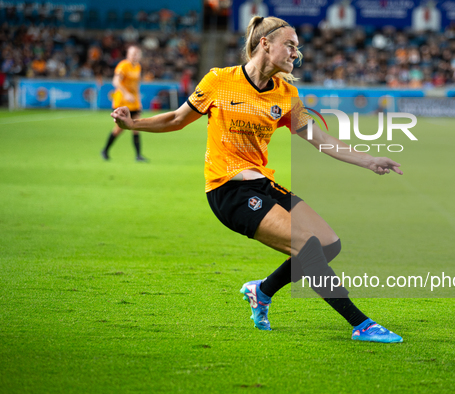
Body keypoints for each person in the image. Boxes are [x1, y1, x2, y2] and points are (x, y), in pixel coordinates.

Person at [111, 16, 404, 343]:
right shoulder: (219, 80)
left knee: (328, 244)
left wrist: (368, 159)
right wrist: (132, 125)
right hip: (228, 190)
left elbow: (319, 138)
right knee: (307, 247)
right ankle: (360, 324)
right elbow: (178, 119)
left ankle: (261, 291)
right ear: (265, 44)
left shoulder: (286, 93)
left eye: (297, 47)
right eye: (289, 45)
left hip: (263, 184)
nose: (295, 52)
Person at [102, 45, 147, 162]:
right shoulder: (123, 65)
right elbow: (115, 81)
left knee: (137, 126)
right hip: (122, 101)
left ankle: (138, 155)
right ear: (128, 55)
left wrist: (139, 101)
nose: (135, 56)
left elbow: (136, 85)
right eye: (132, 53)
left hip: (134, 102)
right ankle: (105, 150)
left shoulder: (138, 67)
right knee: (119, 129)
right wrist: (126, 93)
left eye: (137, 53)